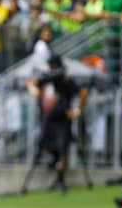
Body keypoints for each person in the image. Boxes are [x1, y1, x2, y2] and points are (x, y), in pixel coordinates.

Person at [24, 55, 89, 192]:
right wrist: (33, 89)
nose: (52, 69)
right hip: (48, 120)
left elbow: (83, 91)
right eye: (50, 65)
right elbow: (31, 83)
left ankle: (60, 178)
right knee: (43, 144)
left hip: (62, 121)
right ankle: (53, 162)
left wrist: (77, 110)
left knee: (62, 148)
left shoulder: (66, 80)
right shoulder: (46, 79)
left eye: (54, 65)